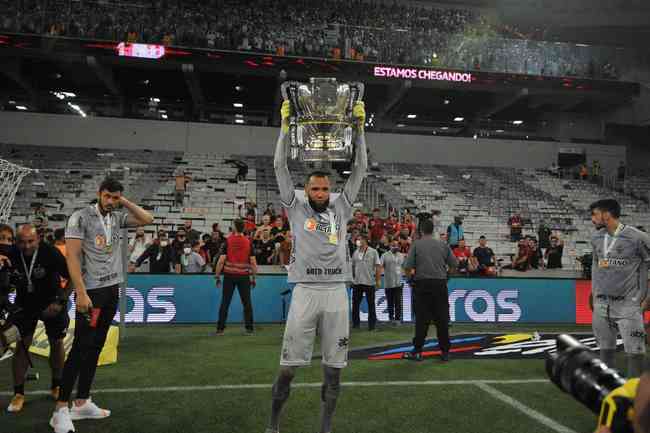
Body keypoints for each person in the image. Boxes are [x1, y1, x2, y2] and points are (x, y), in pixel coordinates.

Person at [266, 99, 367, 433]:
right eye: (315, 188)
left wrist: (360, 129)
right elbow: (280, 166)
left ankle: (325, 428)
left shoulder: (343, 206)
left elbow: (361, 168)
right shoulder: (295, 206)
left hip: (337, 293)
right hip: (305, 292)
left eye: (325, 188)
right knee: (287, 370)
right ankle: (274, 425)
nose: (321, 192)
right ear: (306, 189)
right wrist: (283, 127)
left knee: (333, 371)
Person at [50, 177, 153, 433]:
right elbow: (72, 258)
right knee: (81, 348)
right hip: (91, 293)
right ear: (99, 193)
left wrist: (124, 201)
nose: (110, 201)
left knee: (96, 346)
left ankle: (82, 401)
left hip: (111, 291)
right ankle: (60, 409)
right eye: (107, 196)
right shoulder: (80, 217)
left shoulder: (118, 217)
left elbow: (146, 219)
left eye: (115, 197)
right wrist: (82, 293)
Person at [3, 225, 71, 413]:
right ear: (16, 241)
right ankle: (18, 394)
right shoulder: (12, 253)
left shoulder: (51, 253)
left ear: (38, 239)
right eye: (22, 242)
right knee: (20, 345)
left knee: (56, 343)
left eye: (30, 241)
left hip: (52, 304)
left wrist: (60, 301)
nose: (26, 246)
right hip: (24, 306)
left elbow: (73, 276)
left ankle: (57, 385)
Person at [589, 199, 650, 378]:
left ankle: (634, 397)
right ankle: (609, 391)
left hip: (628, 307)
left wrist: (647, 296)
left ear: (606, 215)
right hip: (601, 305)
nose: (592, 219)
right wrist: (594, 291)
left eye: (595, 214)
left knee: (635, 353)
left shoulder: (637, 237)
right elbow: (595, 264)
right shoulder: (596, 238)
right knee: (605, 351)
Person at [403, 219, 457, 362]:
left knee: (422, 320)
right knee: (442, 319)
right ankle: (445, 352)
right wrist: (446, 278)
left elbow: (407, 267)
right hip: (440, 284)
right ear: (433, 230)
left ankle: (418, 351)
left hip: (422, 284)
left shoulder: (417, 245)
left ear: (421, 230)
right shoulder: (443, 244)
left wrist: (410, 280)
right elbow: (454, 264)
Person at [214, 218, 258, 335]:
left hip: (229, 275)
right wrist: (254, 278)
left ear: (234, 227)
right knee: (247, 303)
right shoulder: (248, 242)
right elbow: (253, 262)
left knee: (225, 302)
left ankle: (220, 329)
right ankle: (249, 329)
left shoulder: (228, 241)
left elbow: (221, 261)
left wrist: (217, 276)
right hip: (244, 276)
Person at [351, 234, 382, 331]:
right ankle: (356, 324)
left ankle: (371, 326)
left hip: (369, 282)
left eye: (359, 239)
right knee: (355, 304)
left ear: (365, 240)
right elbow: (352, 266)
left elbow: (378, 267)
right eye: (357, 240)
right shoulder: (355, 252)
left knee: (371, 304)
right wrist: (353, 278)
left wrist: (378, 280)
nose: (358, 241)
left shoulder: (373, 252)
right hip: (357, 282)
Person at [381, 239, 405, 325]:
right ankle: (391, 318)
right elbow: (380, 266)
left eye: (397, 245)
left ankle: (398, 319)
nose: (396, 247)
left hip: (398, 282)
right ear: (390, 246)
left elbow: (404, 266)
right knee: (390, 302)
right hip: (389, 282)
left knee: (398, 302)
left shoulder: (401, 255)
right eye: (394, 245)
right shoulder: (384, 255)